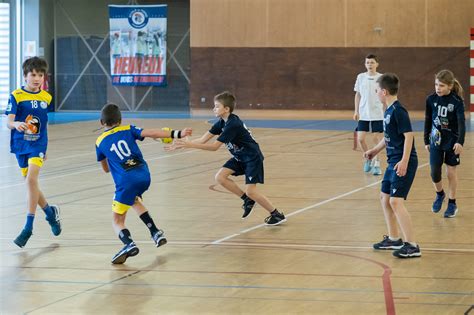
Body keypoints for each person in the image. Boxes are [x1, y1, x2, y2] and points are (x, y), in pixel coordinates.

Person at [95, 103, 192, 264]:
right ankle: (155, 232)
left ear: (101, 122)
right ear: (120, 119)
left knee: (117, 220)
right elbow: (152, 132)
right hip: (144, 175)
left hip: (126, 181)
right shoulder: (128, 129)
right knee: (134, 201)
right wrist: (177, 133)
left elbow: (105, 169)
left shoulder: (100, 141)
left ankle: (128, 244)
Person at [172, 91, 286, 226]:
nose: (214, 109)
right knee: (220, 177)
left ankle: (276, 214)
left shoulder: (232, 124)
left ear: (226, 109)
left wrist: (191, 144)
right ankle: (247, 200)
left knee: (251, 191)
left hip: (251, 158)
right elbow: (202, 140)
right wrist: (184, 143)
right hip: (239, 157)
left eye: (216, 106)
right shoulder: (221, 122)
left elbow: (214, 147)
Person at [5, 57, 61, 248]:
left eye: (40, 75)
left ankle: (28, 227)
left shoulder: (46, 97)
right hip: (21, 145)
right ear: (26, 76)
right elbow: (8, 122)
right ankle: (50, 213)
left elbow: (44, 125)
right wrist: (16, 124)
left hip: (37, 145)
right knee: (31, 186)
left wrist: (45, 147)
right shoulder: (17, 95)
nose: (37, 78)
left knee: (31, 181)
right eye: (33, 75)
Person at [364, 73, 421, 258]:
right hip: (392, 162)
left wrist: (404, 161)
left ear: (384, 91)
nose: (376, 93)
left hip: (403, 162)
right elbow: (389, 139)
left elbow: (409, 136)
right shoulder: (387, 110)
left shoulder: (398, 110)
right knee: (384, 198)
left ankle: (412, 245)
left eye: (377, 91)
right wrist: (374, 150)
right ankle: (394, 239)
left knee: (396, 201)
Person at [424, 70, 466, 218]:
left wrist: (460, 142)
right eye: (436, 84)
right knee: (434, 171)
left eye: (441, 85)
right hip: (436, 139)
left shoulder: (457, 102)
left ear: (450, 86)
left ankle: (452, 203)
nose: (438, 88)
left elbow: (461, 123)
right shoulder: (431, 99)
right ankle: (439, 194)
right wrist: (426, 140)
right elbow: (428, 120)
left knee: (450, 172)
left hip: (452, 142)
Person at [354, 54, 384, 175]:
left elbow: (385, 95)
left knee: (376, 138)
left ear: (377, 64)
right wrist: (356, 111)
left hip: (377, 113)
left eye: (372, 62)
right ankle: (368, 158)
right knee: (361, 139)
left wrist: (387, 110)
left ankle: (377, 163)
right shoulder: (361, 77)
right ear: (365, 64)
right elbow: (357, 95)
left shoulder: (381, 78)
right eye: (367, 62)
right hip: (364, 113)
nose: (369, 65)